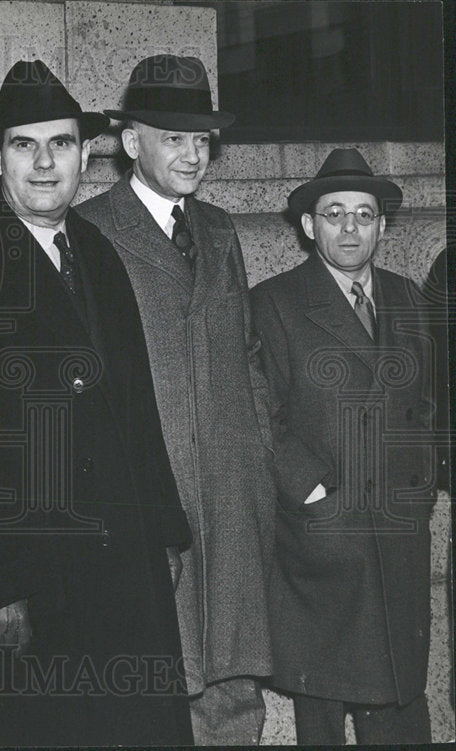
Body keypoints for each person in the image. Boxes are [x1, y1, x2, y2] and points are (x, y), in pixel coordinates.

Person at [0, 59, 193, 746]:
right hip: (33, 582)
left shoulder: (98, 252)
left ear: (86, 155)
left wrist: (163, 531)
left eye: (61, 143)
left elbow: (136, 407)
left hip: (123, 566)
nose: (43, 162)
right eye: (24, 145)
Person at [76, 54, 275, 745]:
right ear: (132, 141)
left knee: (236, 679)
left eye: (203, 140)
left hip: (231, 490)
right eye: (175, 139)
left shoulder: (218, 228)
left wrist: (259, 459)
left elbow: (246, 351)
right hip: (155, 492)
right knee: (166, 675)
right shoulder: (90, 229)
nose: (194, 155)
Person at [250, 148, 436, 744]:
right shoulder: (275, 303)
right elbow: (261, 412)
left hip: (397, 535)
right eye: (335, 214)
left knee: (401, 706)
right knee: (323, 711)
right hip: (323, 538)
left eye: (364, 214)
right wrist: (308, 488)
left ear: (382, 226)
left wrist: (421, 486)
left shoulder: (410, 299)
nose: (350, 228)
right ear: (310, 226)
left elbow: (429, 403)